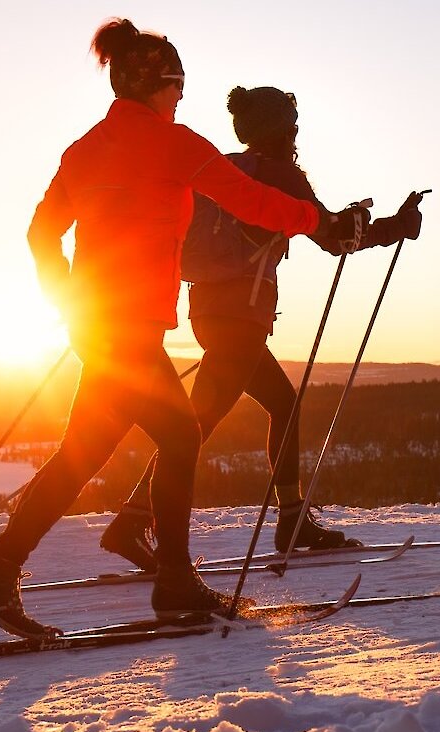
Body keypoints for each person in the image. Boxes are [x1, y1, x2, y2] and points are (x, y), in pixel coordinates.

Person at [0, 20, 371, 637]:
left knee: (80, 457)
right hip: (125, 331)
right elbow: (250, 200)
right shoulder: (170, 143)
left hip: (98, 327)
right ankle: (174, 583)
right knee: (179, 437)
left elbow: (41, 234)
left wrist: (68, 300)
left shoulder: (84, 149)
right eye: (177, 87)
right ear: (156, 85)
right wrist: (322, 223)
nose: (181, 98)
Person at [101, 85, 422, 569]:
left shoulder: (227, 167)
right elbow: (334, 237)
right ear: (285, 128)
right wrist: (396, 226)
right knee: (193, 427)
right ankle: (134, 520)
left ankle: (289, 517)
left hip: (207, 313)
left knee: (276, 405)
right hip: (241, 319)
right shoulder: (283, 176)